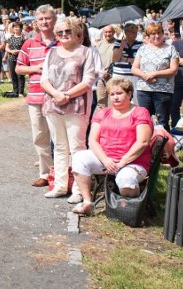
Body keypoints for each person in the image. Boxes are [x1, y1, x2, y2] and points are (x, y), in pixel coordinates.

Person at [70, 78, 153, 216]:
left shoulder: (140, 112)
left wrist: (123, 162)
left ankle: (129, 209)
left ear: (129, 93)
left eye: (119, 93)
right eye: (112, 94)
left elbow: (143, 142)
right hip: (106, 159)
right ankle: (87, 202)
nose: (115, 97)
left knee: (126, 179)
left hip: (133, 161)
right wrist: (105, 159)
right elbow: (92, 140)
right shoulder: (103, 113)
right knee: (79, 158)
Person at [40, 18, 96, 200]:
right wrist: (56, 95)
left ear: (76, 33)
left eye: (68, 31)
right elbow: (44, 79)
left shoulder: (85, 52)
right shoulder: (52, 52)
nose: (64, 35)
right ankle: (60, 185)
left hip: (77, 106)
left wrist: (67, 95)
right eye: (60, 32)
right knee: (60, 147)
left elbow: (88, 80)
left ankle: (79, 190)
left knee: (77, 148)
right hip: (53, 105)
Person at [17, 5, 58, 187]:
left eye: (48, 18)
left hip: (58, 97)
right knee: (40, 137)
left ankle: (62, 175)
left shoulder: (62, 41)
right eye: (41, 19)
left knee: (60, 139)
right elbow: (18, 67)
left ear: (54, 20)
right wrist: (35, 68)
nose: (44, 22)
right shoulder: (29, 43)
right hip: (35, 97)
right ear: (36, 22)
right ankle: (46, 174)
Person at [131, 22, 179, 131]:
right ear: (148, 36)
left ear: (163, 34)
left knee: (163, 121)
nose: (156, 36)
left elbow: (174, 70)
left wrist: (154, 74)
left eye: (159, 33)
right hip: (144, 90)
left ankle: (163, 145)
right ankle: (145, 144)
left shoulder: (170, 49)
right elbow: (134, 68)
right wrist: (145, 75)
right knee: (143, 120)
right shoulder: (142, 49)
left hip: (163, 90)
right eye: (153, 34)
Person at [111, 22, 143, 105]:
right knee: (119, 98)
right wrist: (122, 46)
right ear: (125, 32)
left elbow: (140, 61)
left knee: (135, 99)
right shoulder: (118, 43)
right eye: (132, 32)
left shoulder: (140, 44)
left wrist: (125, 59)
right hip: (119, 75)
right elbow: (115, 59)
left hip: (134, 75)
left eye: (136, 32)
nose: (134, 34)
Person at [94, 25, 117, 108]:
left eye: (110, 32)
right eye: (106, 32)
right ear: (103, 33)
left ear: (114, 32)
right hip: (101, 76)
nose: (108, 34)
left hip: (113, 76)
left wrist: (110, 71)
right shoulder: (98, 44)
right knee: (101, 102)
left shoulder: (117, 44)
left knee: (114, 101)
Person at [5, 22, 26, 97]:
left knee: (20, 75)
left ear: (21, 28)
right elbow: (6, 47)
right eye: (14, 27)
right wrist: (11, 51)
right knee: (13, 75)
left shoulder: (24, 38)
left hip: (20, 58)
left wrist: (18, 51)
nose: (16, 29)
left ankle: (21, 92)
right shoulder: (10, 38)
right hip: (11, 58)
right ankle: (15, 91)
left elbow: (26, 49)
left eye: (18, 27)